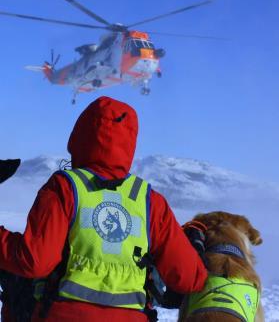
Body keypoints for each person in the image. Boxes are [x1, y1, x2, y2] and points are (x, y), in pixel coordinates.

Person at [0, 96, 207, 322]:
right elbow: (190, 278)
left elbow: (34, 261)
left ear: (80, 136)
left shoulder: (65, 187)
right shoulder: (150, 201)